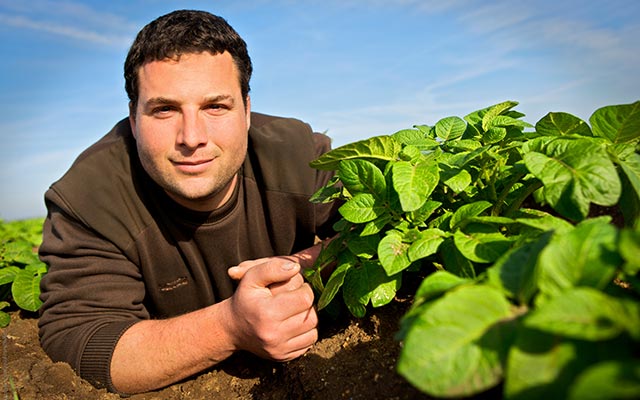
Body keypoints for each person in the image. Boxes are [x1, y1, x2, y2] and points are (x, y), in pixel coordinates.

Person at [37, 9, 340, 395]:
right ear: (133, 119)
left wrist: (299, 268)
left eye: (215, 106)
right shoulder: (88, 196)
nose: (192, 137)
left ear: (246, 111)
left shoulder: (300, 154)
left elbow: (374, 239)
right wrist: (230, 326)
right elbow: (81, 340)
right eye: (164, 110)